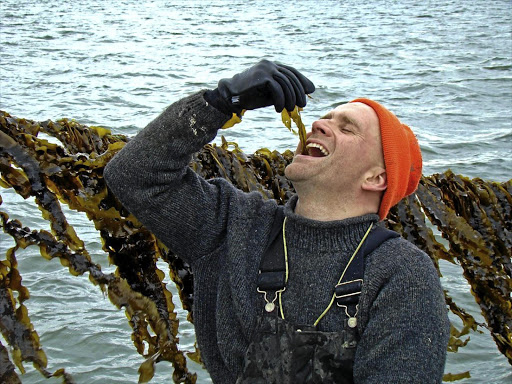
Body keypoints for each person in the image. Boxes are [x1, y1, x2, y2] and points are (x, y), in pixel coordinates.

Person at [104, 60, 450, 383]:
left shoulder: (403, 274)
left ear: (376, 177)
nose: (318, 124)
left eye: (347, 128)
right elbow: (133, 175)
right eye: (326, 117)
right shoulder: (232, 226)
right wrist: (221, 102)